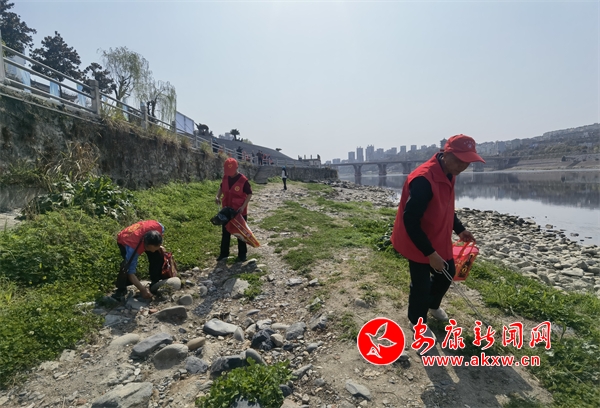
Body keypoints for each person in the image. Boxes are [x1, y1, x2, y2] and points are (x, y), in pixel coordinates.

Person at [391, 134, 485, 342]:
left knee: (447, 272)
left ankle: (432, 306)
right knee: (421, 285)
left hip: (437, 234)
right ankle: (417, 321)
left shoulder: (450, 172)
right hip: (416, 238)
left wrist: (459, 229)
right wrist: (430, 254)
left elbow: (445, 206)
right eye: (460, 160)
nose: (463, 166)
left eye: (468, 162)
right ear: (446, 154)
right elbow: (410, 220)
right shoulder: (423, 179)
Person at [115, 220, 166, 299]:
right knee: (126, 267)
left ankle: (155, 281)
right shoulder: (133, 250)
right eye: (152, 249)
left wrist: (159, 248)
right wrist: (142, 290)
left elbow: (157, 240)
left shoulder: (158, 227)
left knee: (158, 255)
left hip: (140, 235)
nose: (154, 251)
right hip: (125, 239)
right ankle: (122, 289)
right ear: (145, 245)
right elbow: (130, 273)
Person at [215, 158, 253, 262]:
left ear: (237, 168)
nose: (230, 174)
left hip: (239, 210)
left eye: (231, 171)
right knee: (225, 232)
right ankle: (224, 253)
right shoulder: (225, 177)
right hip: (226, 210)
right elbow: (221, 187)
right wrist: (217, 196)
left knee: (241, 233)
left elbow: (249, 194)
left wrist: (243, 206)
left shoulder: (243, 180)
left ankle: (242, 254)